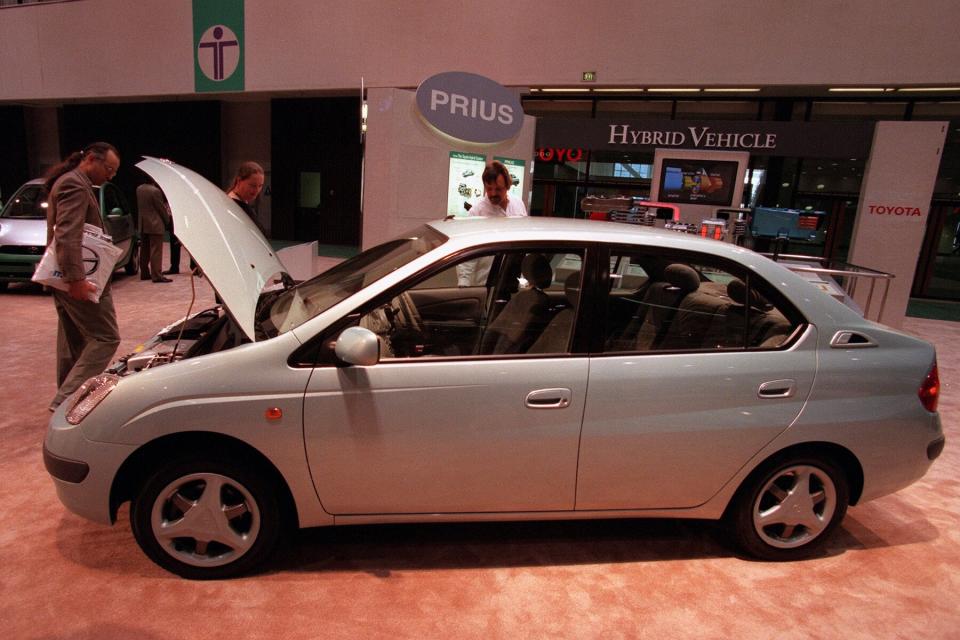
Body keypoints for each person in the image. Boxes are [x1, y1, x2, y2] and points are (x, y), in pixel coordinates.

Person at [43, 142, 122, 412]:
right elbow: (67, 234)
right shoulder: (74, 185)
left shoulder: (72, 182)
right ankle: (65, 403)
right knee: (106, 338)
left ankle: (68, 402)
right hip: (78, 279)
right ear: (90, 159)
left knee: (74, 344)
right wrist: (75, 279)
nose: (110, 175)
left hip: (64, 278)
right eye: (109, 168)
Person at [457, 161, 528, 286]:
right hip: (487, 284)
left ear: (507, 186)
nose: (493, 194)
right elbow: (467, 253)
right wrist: (464, 284)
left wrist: (526, 278)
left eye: (498, 189)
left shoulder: (518, 204)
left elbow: (525, 242)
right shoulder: (477, 212)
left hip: (515, 281)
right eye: (489, 189)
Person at [136, 179, 172, 282]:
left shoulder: (139, 189)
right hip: (155, 224)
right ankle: (156, 275)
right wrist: (167, 220)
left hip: (143, 224)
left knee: (144, 250)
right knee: (156, 250)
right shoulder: (155, 191)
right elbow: (160, 208)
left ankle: (144, 273)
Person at [227, 161, 266, 235]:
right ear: (239, 181)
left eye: (260, 186)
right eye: (252, 185)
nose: (257, 190)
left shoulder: (241, 203)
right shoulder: (233, 206)